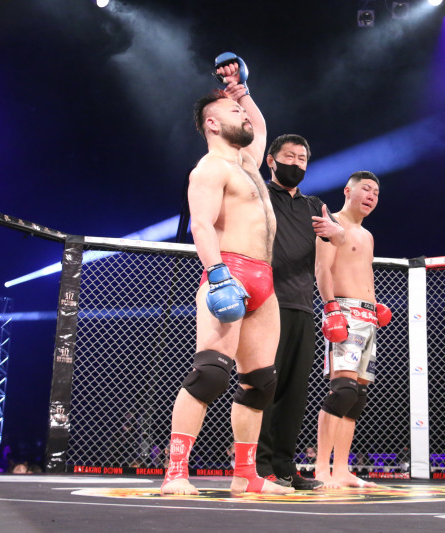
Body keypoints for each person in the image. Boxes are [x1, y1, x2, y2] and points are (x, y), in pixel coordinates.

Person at [159, 53, 292, 496]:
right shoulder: (210, 168)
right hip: (228, 271)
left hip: (264, 279)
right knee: (211, 374)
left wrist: (242, 92)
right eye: (233, 111)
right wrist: (217, 275)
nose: (243, 115)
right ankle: (175, 472)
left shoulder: (248, 163)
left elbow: (261, 127)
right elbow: (201, 225)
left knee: (260, 382)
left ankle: (245, 475)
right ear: (212, 124)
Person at [255, 133, 345, 491]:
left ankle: (285, 466)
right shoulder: (258, 194)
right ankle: (259, 467)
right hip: (264, 302)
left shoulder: (314, 206)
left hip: (303, 306)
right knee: (262, 385)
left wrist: (337, 233)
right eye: (289, 157)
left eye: (302, 159)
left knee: (294, 392)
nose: (296, 164)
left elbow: (335, 246)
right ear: (271, 160)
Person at [313, 171, 391, 489]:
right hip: (343, 312)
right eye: (366, 189)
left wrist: (375, 304)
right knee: (342, 390)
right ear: (348, 190)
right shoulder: (332, 223)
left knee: (357, 397)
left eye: (376, 192)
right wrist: (330, 307)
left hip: (368, 316)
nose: (371, 196)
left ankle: (342, 470)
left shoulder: (367, 235)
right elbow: (322, 268)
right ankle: (321, 468)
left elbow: (363, 274)